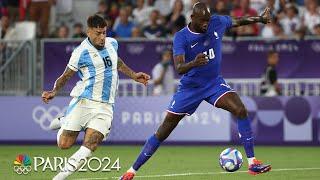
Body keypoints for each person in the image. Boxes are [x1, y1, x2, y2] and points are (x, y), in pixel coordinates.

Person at [120, 2, 272, 180]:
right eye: (202, 21)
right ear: (192, 18)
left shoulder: (216, 22)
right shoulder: (182, 37)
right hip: (190, 88)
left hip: (214, 83)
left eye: (208, 20)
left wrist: (260, 19)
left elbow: (236, 21)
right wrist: (194, 63)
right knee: (163, 131)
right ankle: (131, 171)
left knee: (240, 109)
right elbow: (179, 67)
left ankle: (253, 163)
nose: (206, 24)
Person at [41, 14, 150, 180]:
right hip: (84, 102)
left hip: (105, 106)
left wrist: (134, 75)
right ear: (88, 32)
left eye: (104, 32)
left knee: (91, 144)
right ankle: (65, 120)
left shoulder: (112, 43)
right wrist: (54, 91)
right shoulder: (80, 52)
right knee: (64, 145)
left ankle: (58, 178)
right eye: (98, 33)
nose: (102, 37)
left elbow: (116, 62)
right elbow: (65, 76)